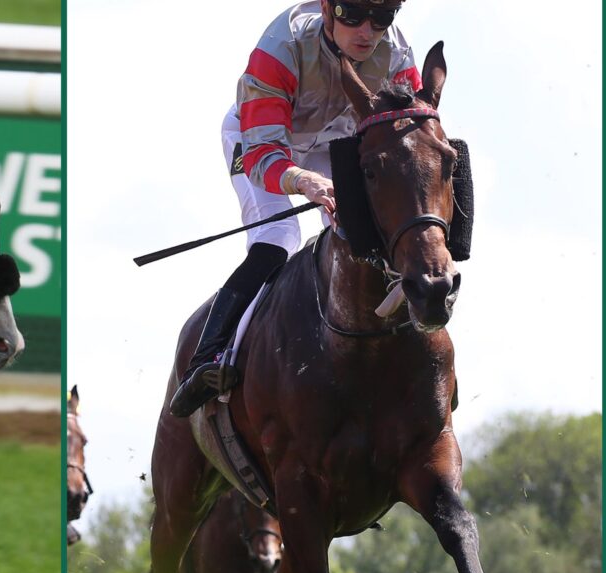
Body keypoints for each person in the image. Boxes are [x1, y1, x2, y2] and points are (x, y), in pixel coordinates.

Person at [169, 0, 421, 416]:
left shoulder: (397, 55)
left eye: (381, 18)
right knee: (279, 237)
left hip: (334, 142)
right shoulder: (280, 49)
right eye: (353, 14)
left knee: (366, 229)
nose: (366, 31)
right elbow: (264, 156)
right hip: (261, 140)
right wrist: (304, 180)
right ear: (326, 8)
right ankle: (207, 357)